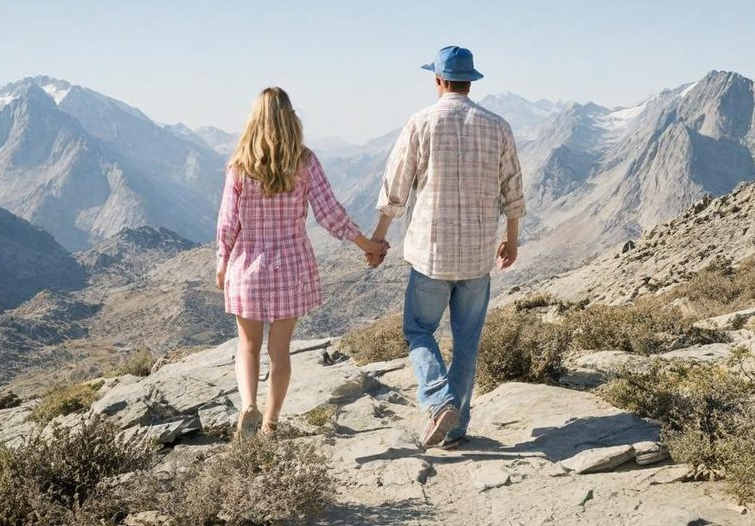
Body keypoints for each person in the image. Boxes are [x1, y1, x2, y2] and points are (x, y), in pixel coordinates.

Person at [369, 46, 525, 449]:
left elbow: (396, 188)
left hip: (430, 254)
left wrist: (378, 238)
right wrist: (511, 237)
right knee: (467, 340)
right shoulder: (498, 126)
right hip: (477, 256)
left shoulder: (421, 123)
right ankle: (455, 430)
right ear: (470, 81)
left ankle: (439, 401)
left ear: (438, 80)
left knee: (418, 329)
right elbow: (512, 188)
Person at [215, 87, 389, 439]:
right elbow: (330, 214)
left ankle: (249, 404)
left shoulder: (239, 166)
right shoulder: (305, 161)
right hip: (290, 267)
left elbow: (227, 222)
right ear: (291, 117)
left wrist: (221, 263)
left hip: (247, 265)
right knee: (280, 352)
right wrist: (367, 245)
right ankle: (270, 425)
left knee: (247, 346)